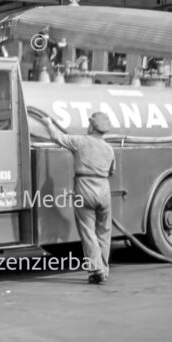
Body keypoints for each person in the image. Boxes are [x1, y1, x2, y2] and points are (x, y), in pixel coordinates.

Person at [41, 112, 115, 284]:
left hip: (85, 188)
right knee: (104, 232)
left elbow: (58, 137)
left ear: (91, 127)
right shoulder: (109, 149)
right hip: (103, 190)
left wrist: (48, 124)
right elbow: (111, 172)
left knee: (88, 230)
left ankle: (96, 268)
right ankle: (103, 268)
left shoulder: (81, 142)